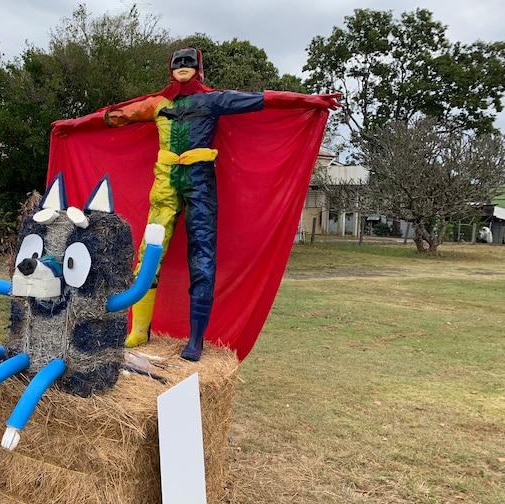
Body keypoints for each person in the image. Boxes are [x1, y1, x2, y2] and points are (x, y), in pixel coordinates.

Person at [52, 47, 340, 361]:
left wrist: (307, 100)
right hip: (165, 185)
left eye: (190, 62)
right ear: (170, 69)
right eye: (178, 62)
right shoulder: (156, 105)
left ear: (199, 68)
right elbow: (114, 117)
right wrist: (75, 124)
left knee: (202, 255)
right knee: (149, 253)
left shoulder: (212, 100)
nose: (184, 67)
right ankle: (140, 329)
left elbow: (261, 99)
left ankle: (196, 338)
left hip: (200, 182)